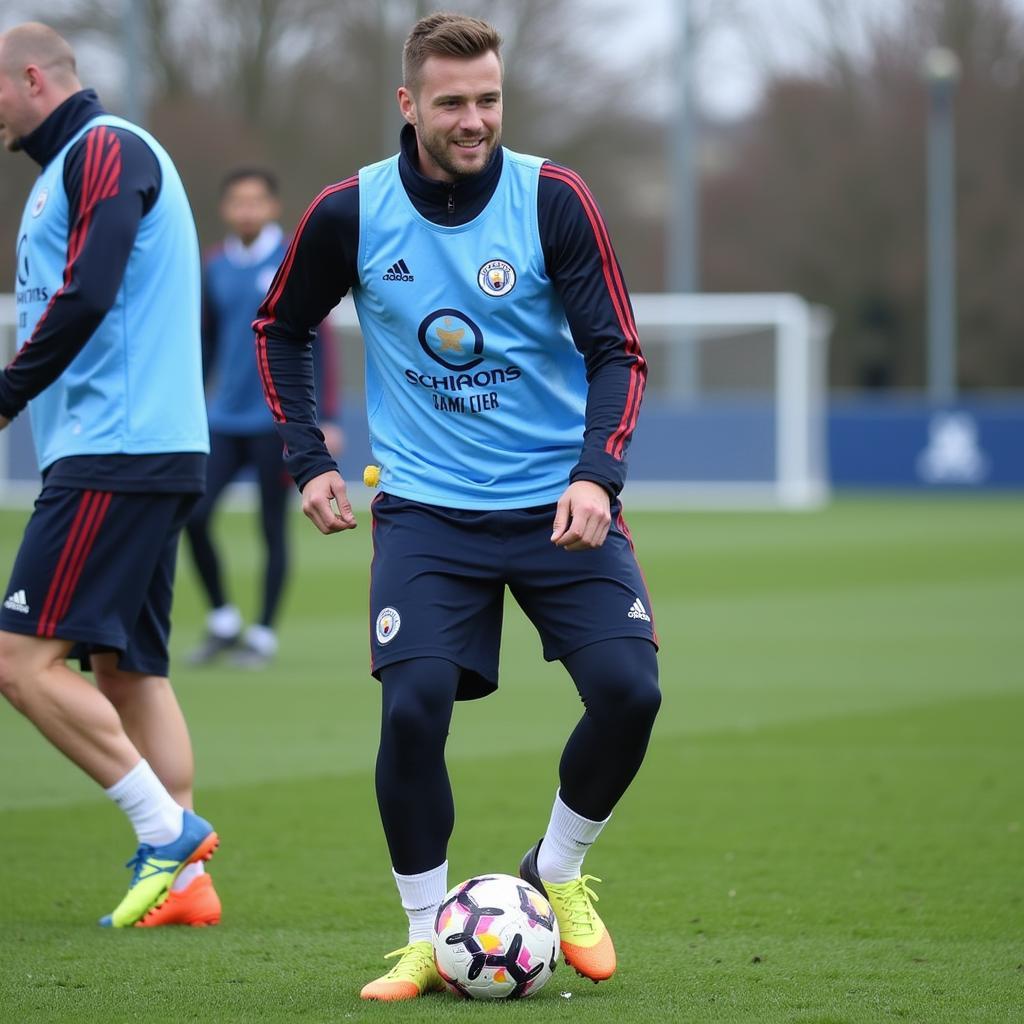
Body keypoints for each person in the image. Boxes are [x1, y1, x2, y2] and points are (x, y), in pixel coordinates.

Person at [256, 12, 660, 1000]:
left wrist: (593, 474)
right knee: (413, 708)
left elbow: (618, 350)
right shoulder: (349, 213)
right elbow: (282, 326)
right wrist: (308, 457)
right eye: (452, 102)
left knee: (629, 695)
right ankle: (426, 935)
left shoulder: (550, 198)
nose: (474, 119)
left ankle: (554, 871)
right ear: (408, 104)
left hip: (557, 504)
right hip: (427, 515)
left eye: (488, 98)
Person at [0, 23, 221, 928]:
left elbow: (90, 290)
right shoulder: (63, 172)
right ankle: (187, 887)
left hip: (116, 448)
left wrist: (7, 394)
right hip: (136, 446)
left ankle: (164, 833)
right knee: (127, 668)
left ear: (29, 77)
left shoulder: (105, 147)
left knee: (18, 659)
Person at [185, 167, 342, 669]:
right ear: (226, 209)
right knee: (193, 513)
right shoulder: (214, 266)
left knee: (271, 526)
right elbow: (208, 342)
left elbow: (324, 343)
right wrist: (190, 399)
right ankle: (223, 620)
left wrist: (328, 415)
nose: (247, 210)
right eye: (238, 202)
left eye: (256, 201)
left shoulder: (293, 258)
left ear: (272, 206)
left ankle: (264, 634)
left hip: (277, 422)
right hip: (223, 418)